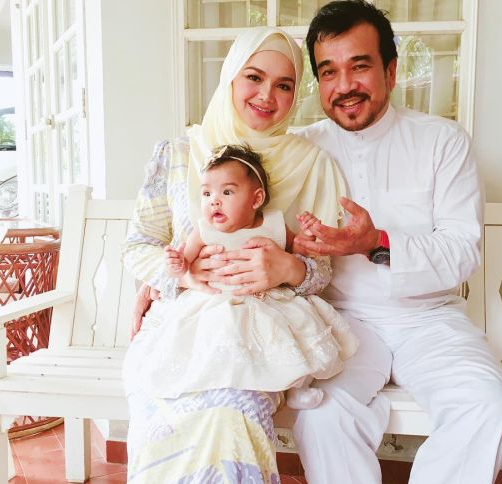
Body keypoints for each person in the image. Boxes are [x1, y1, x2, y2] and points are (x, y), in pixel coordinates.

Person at [286, 2, 502, 484]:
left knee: (488, 406)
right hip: (340, 321)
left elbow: (462, 251)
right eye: (329, 72)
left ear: (390, 71)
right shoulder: (300, 151)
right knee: (322, 414)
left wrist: (375, 243)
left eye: (360, 66)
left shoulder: (443, 142)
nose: (344, 85)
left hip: (429, 318)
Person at [121, 26, 347, 483]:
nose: (267, 95)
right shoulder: (179, 154)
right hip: (181, 328)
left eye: (284, 85)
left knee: (230, 419)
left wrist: (288, 268)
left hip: (256, 331)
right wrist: (181, 276)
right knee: (164, 412)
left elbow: (322, 269)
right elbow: (139, 244)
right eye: (254, 77)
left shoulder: (311, 163)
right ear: (230, 77)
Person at [141, 143, 357, 408]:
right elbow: (184, 265)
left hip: (269, 300)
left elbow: (297, 251)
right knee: (217, 335)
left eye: (227, 192)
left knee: (285, 338)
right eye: (206, 193)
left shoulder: (273, 223)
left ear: (256, 199)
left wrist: (306, 237)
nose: (214, 201)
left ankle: (295, 387)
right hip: (217, 301)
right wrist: (176, 264)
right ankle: (205, 385)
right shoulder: (203, 231)